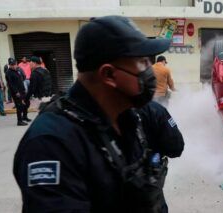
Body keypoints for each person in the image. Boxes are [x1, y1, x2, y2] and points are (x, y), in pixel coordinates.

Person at [13, 16, 184, 213]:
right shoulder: (51, 144)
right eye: (142, 63)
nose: (149, 72)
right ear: (109, 75)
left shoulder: (127, 117)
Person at [6, 58, 29, 126]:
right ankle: (19, 121)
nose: (13, 66)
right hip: (16, 92)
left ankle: (25, 117)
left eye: (14, 64)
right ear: (9, 65)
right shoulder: (8, 73)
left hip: (22, 90)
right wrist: (16, 92)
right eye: (12, 65)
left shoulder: (17, 70)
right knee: (19, 106)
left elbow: (22, 78)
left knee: (26, 103)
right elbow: (11, 84)